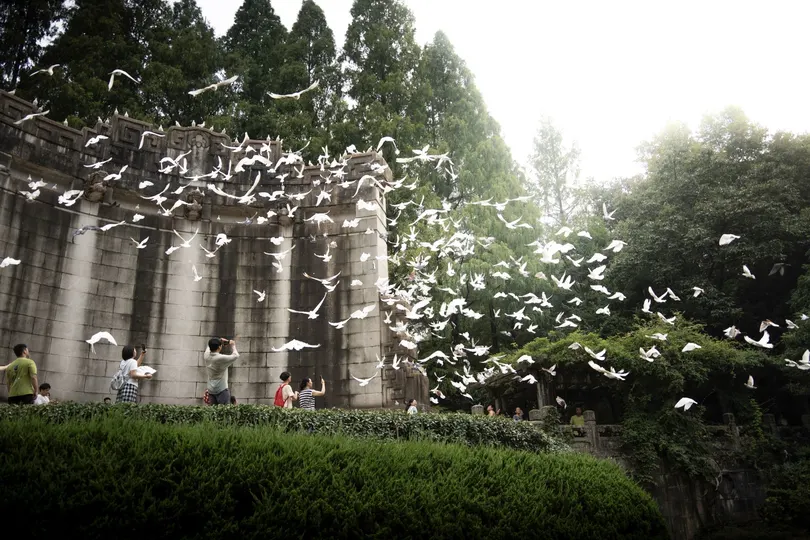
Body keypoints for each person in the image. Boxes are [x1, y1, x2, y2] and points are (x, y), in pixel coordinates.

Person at [204, 337, 240, 406]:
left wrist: (219, 341)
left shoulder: (206, 355)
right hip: (222, 389)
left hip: (210, 390)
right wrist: (233, 345)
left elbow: (209, 345)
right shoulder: (220, 358)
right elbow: (236, 356)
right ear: (219, 347)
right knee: (225, 410)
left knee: (213, 411)